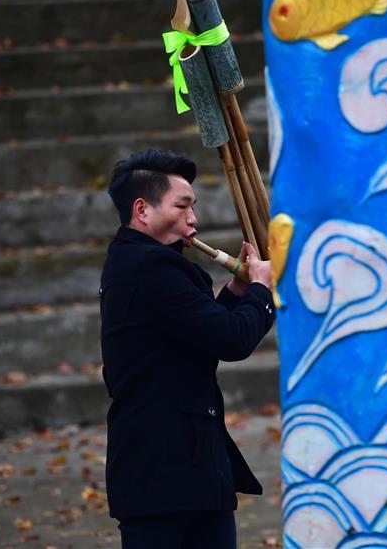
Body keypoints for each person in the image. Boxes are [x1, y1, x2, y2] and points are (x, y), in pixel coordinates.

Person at [100, 149, 275, 548]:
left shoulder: (138, 261)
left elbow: (200, 332)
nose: (193, 219)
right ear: (142, 210)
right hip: (166, 473)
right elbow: (232, 340)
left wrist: (239, 290)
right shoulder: (152, 268)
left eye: (192, 207)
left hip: (180, 471)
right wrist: (262, 290)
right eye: (182, 206)